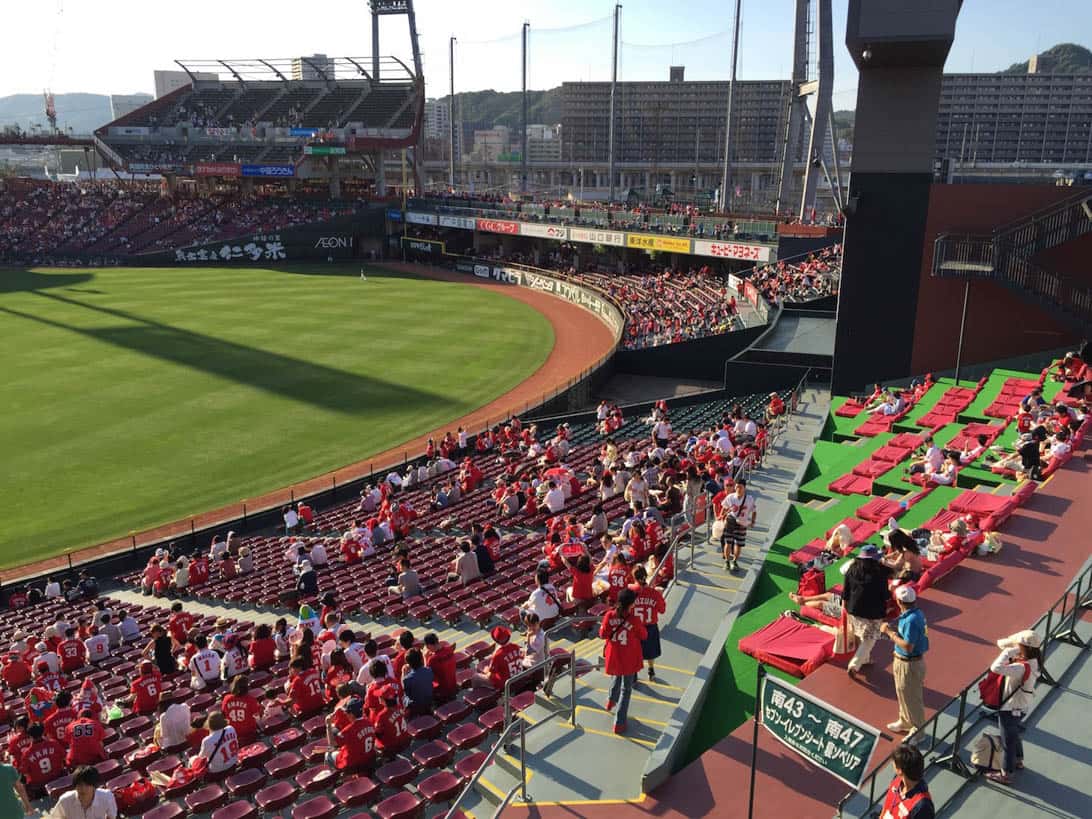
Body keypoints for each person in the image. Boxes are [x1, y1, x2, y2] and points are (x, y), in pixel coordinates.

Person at [987, 629, 1041, 785]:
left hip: (1011, 708)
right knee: (1014, 734)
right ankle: (1018, 760)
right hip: (1022, 706)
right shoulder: (1034, 662)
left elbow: (995, 668)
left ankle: (1006, 773)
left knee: (1007, 741)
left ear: (1025, 647)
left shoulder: (1022, 667)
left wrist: (1009, 651)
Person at [880, 585, 929, 739]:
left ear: (899, 601)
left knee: (912, 698)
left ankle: (918, 732)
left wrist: (889, 634)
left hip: (909, 663)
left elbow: (908, 646)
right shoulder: (915, 613)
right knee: (903, 693)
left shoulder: (911, 620)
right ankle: (905, 721)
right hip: (904, 661)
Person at [600, 588, 647, 734]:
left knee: (616, 675)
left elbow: (602, 634)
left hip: (614, 656)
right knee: (626, 689)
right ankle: (619, 722)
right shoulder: (634, 619)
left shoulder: (609, 615)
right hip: (629, 657)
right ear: (631, 604)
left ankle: (611, 700)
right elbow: (644, 635)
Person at [842, 545, 894, 677]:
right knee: (870, 639)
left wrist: (845, 607)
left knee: (862, 635)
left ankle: (865, 658)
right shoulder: (879, 573)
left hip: (853, 608)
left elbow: (846, 591)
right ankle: (854, 665)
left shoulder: (852, 569)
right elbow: (885, 595)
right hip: (873, 612)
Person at [629, 565, 666, 680]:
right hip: (650, 627)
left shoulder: (630, 591)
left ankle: (634, 674)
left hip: (635, 627)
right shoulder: (654, 593)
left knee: (634, 652)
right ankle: (651, 670)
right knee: (650, 652)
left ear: (634, 577)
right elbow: (662, 610)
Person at [879, 745, 935, 819]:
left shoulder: (923, 806)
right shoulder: (897, 780)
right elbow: (886, 807)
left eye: (895, 764)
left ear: (900, 771)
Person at [326, 697, 376, 773]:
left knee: (327, 754)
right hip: (369, 759)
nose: (346, 714)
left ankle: (332, 779)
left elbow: (332, 743)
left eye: (347, 712)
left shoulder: (349, 730)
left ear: (351, 714)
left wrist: (328, 725)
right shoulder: (369, 722)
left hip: (352, 765)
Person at [50, 765, 118, 819]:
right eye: (79, 785)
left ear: (94, 786)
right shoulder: (65, 800)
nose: (83, 788)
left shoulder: (107, 796)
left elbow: (111, 816)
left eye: (87, 785)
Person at [721, 478, 756, 572]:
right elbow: (724, 507)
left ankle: (735, 561)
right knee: (728, 542)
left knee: (739, 544)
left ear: (744, 488)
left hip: (742, 523)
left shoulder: (749, 499)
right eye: (736, 487)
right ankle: (727, 561)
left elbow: (754, 511)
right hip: (731, 522)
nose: (738, 489)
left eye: (740, 487)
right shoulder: (730, 497)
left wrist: (753, 521)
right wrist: (722, 517)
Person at [221, 675, 262, 745]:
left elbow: (223, 715)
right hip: (250, 733)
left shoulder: (226, 699)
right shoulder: (251, 700)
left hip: (233, 734)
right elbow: (257, 717)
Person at [195, 711, 238, 776]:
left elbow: (201, 757)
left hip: (217, 772)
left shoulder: (207, 740)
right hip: (233, 765)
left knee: (193, 759)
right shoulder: (231, 728)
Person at [402, 649, 434, 715]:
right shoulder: (429, 670)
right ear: (421, 659)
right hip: (429, 702)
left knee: (403, 697)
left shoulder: (407, 679)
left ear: (409, 663)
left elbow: (404, 689)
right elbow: (424, 671)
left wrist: (403, 673)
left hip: (416, 707)